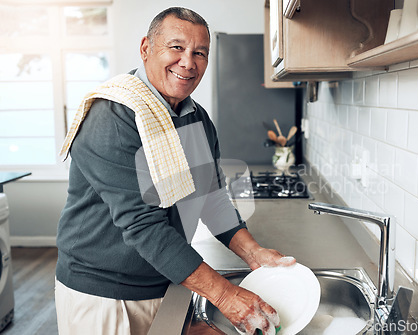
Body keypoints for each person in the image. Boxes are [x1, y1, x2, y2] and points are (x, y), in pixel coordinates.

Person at [55, 7, 295, 335]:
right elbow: (144, 228)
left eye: (200, 53)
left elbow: (212, 199)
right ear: (145, 48)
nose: (188, 62)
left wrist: (253, 253)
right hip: (106, 296)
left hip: (168, 280)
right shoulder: (113, 117)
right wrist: (225, 294)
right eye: (177, 47)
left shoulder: (195, 117)